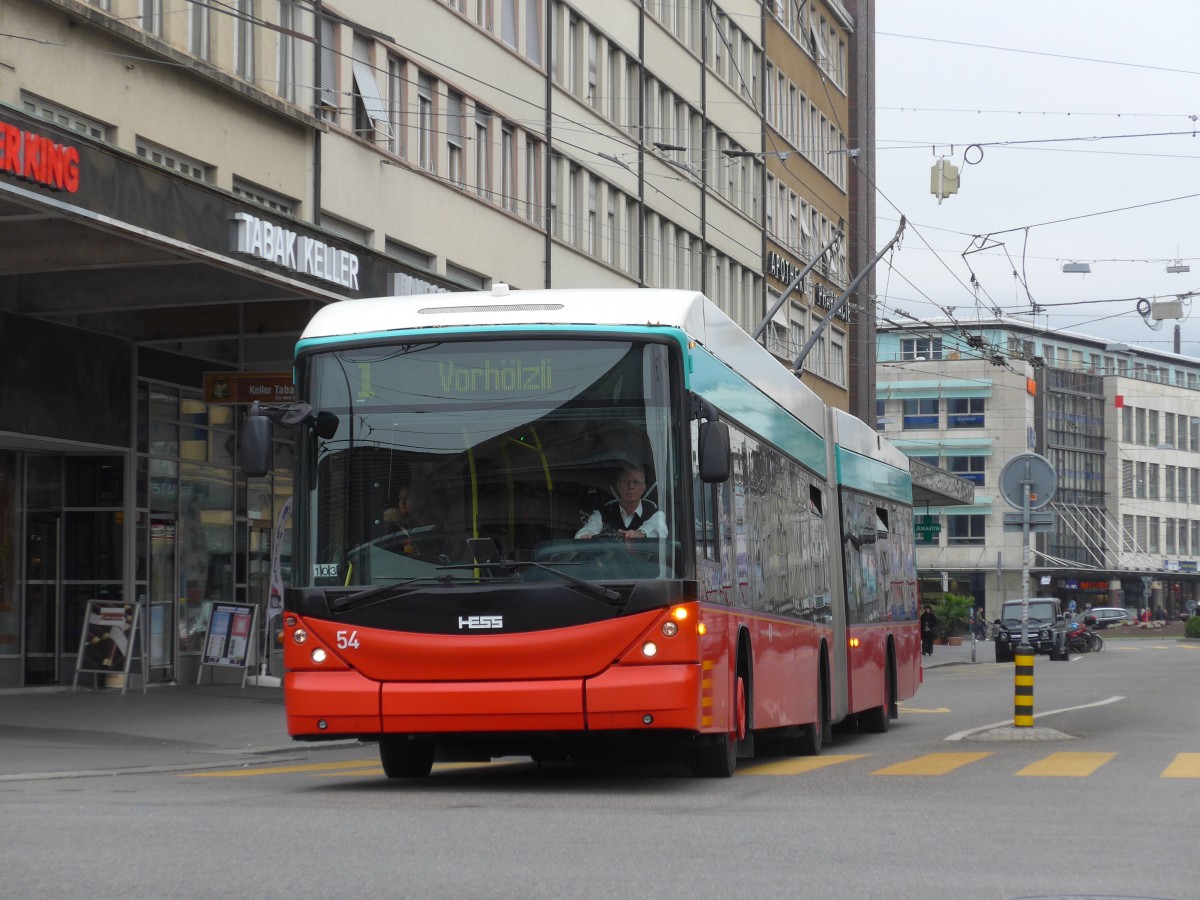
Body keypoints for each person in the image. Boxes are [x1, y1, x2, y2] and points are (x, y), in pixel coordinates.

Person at [575, 463, 667, 542]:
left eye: (636, 482)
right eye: (626, 481)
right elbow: (588, 529)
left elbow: (659, 528)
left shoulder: (654, 513)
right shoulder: (603, 513)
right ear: (618, 486)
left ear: (643, 488)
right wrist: (585, 536)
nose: (631, 486)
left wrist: (640, 533)